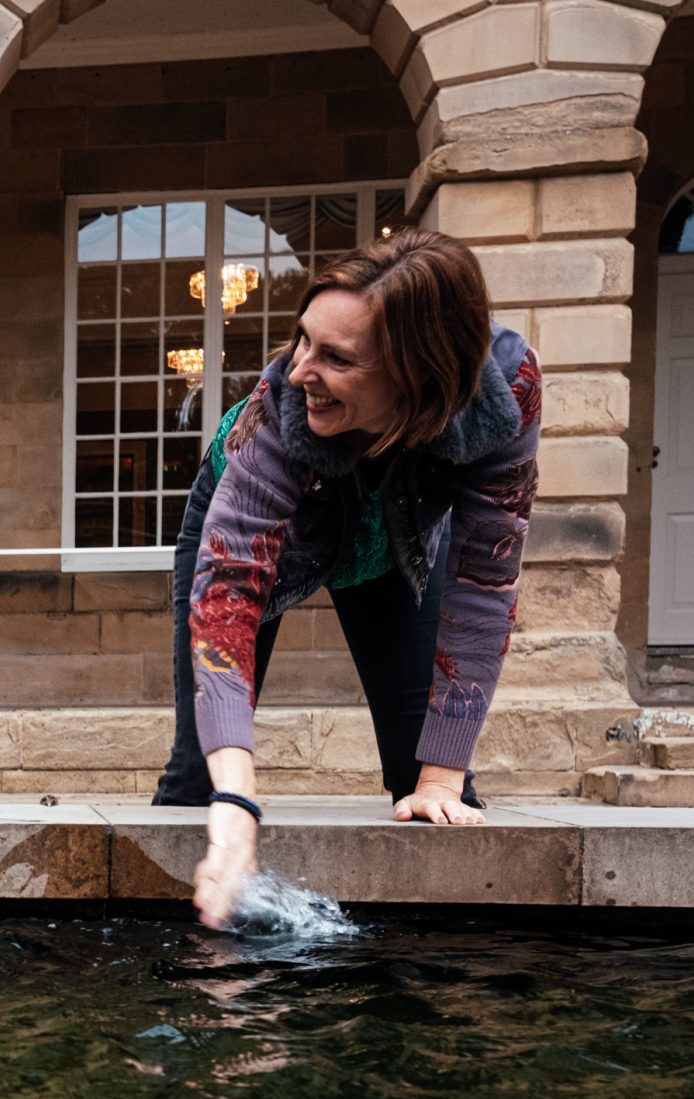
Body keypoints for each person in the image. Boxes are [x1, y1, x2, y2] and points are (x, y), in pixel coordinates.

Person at [153, 228, 542, 927]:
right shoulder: (279, 408)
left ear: (418, 376)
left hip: (390, 551)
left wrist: (443, 777)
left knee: (434, 790)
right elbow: (228, 601)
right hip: (243, 555)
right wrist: (237, 804)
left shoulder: (504, 393)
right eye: (302, 339)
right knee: (201, 781)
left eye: (336, 357)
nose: (300, 368)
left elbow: (484, 580)